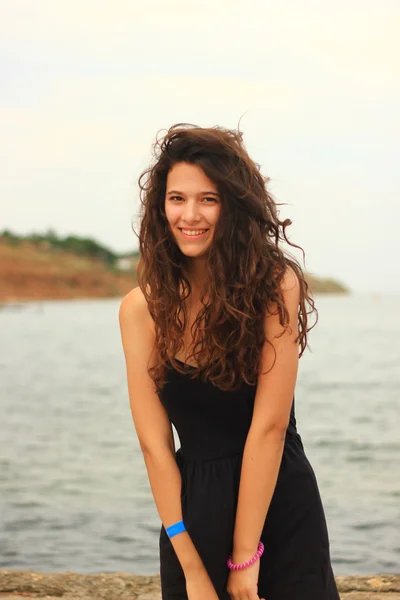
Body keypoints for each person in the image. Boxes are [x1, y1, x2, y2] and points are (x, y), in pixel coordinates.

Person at [119, 123, 340, 600]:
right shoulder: (142, 309)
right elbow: (154, 446)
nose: (190, 215)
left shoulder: (273, 286)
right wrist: (192, 566)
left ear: (233, 207)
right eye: (177, 198)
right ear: (161, 207)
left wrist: (245, 561)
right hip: (191, 515)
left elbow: (270, 426)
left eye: (209, 199)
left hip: (278, 501)